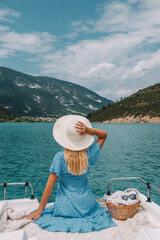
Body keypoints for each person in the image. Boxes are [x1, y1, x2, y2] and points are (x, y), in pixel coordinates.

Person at [26, 115, 116, 233]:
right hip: (87, 206)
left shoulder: (60, 158)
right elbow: (103, 135)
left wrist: (39, 211)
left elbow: (49, 187)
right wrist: (89, 131)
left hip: (65, 208)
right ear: (82, 138)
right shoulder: (89, 154)